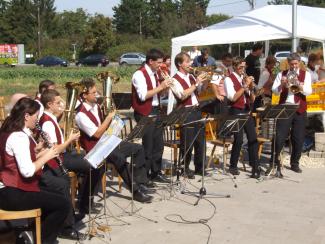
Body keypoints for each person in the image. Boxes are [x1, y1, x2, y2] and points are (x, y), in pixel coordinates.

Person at [0, 97, 69, 244]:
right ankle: (40, 240)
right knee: (63, 204)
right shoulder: (19, 136)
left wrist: (39, 152)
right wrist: (48, 156)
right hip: (13, 194)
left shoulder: (8, 131)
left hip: (9, 190)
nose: (37, 120)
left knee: (57, 195)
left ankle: (34, 233)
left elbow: (18, 162)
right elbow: (27, 171)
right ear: (26, 116)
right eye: (36, 116)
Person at [76, 78, 153, 203]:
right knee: (119, 158)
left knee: (138, 148)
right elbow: (96, 134)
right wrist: (108, 118)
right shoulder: (80, 114)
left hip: (107, 143)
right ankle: (135, 191)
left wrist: (114, 121)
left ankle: (141, 183)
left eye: (97, 91)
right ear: (84, 95)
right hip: (95, 148)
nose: (97, 95)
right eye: (94, 93)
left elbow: (105, 128)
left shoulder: (96, 106)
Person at [38, 89, 88, 240]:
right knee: (66, 180)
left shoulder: (52, 117)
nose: (61, 105)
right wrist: (70, 139)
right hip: (54, 161)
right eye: (58, 103)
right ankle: (67, 226)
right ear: (49, 104)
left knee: (87, 162)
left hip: (61, 157)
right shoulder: (46, 122)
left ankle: (71, 214)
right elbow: (55, 149)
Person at [131, 48, 171, 182]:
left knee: (159, 145)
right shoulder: (139, 74)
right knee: (148, 146)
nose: (161, 65)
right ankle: (144, 176)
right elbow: (143, 96)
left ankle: (156, 172)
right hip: (144, 112)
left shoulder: (155, 74)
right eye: (158, 63)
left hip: (156, 110)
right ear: (150, 61)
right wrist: (161, 87)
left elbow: (157, 95)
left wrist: (165, 89)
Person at [271, 53, 312, 175]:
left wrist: (299, 85)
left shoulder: (306, 75)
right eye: (292, 64)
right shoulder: (281, 74)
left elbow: (309, 92)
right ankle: (275, 162)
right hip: (285, 107)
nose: (294, 66)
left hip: (300, 108)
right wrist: (282, 84)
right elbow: (275, 91)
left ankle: (295, 163)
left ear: (299, 63)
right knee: (280, 136)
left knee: (298, 138)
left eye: (296, 63)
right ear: (288, 63)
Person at [170, 52, 208, 178]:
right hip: (186, 112)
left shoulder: (191, 76)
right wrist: (196, 83)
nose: (190, 63)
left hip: (196, 110)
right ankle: (184, 168)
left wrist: (205, 81)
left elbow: (200, 91)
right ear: (180, 64)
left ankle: (199, 167)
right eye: (187, 61)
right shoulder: (174, 79)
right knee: (187, 142)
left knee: (200, 141)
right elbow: (182, 95)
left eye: (190, 61)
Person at [224, 56, 261, 178]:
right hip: (235, 110)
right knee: (238, 139)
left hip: (246, 111)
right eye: (240, 67)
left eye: (244, 67)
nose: (243, 69)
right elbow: (233, 97)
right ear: (235, 66)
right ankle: (233, 165)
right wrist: (245, 86)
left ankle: (255, 166)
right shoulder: (228, 80)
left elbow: (252, 98)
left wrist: (251, 88)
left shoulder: (243, 78)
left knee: (253, 138)